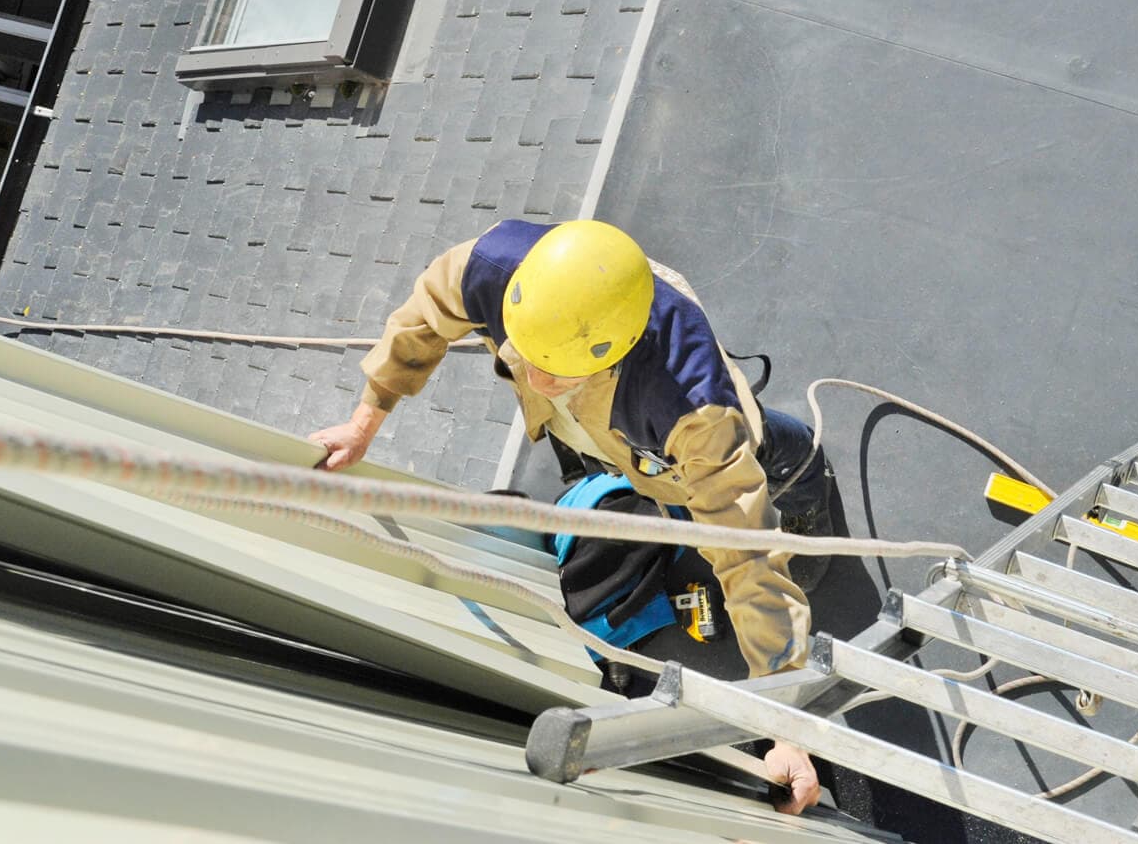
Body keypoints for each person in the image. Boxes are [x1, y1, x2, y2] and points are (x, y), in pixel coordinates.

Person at [310, 218, 840, 815]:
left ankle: (803, 475)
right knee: (623, 457)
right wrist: (364, 421)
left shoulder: (696, 415)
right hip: (610, 400)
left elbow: (749, 559)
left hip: (674, 418)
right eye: (528, 359)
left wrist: (785, 723)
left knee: (765, 464)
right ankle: (622, 458)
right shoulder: (495, 269)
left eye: (554, 373)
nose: (533, 381)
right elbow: (422, 318)